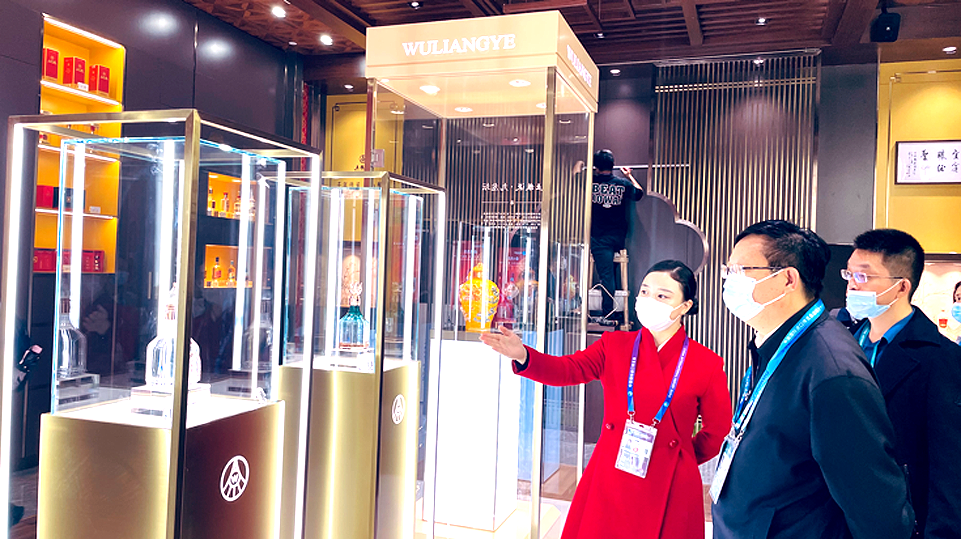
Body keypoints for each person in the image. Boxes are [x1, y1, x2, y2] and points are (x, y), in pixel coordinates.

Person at [481, 260, 732, 539]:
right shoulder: (615, 345)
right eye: (645, 292)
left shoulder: (707, 363)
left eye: (662, 295)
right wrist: (524, 355)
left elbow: (718, 431)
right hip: (614, 471)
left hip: (672, 482)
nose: (650, 300)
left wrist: (678, 457)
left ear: (685, 306)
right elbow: (568, 369)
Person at [710, 220, 914, 539]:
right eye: (728, 271)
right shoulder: (777, 344)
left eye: (740, 270)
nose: (728, 281)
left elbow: (874, 506)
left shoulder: (831, 370)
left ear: (787, 279)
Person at [838, 229, 961, 538]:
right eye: (849, 274)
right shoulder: (840, 344)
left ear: (901, 286)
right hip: (838, 513)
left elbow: (948, 464)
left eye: (863, 276)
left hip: (899, 516)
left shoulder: (940, 358)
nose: (852, 284)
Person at [589, 149, 644, 323]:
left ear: (596, 167)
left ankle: (608, 314)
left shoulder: (590, 182)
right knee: (610, 274)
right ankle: (614, 312)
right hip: (618, 237)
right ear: (612, 165)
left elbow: (574, 176)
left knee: (606, 276)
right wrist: (629, 176)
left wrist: (581, 165)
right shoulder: (622, 183)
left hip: (599, 237)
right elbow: (639, 193)